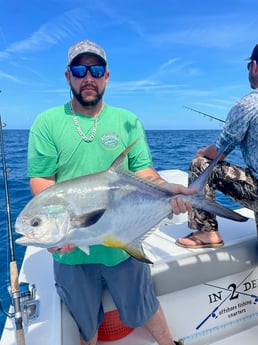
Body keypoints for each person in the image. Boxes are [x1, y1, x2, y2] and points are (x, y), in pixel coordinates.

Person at [27, 39, 195, 345]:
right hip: (72, 255)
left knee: (146, 307)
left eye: (96, 69)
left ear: (106, 76)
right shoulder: (47, 123)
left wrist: (171, 192)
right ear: (68, 76)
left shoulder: (127, 121)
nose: (88, 76)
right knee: (86, 325)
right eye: (80, 69)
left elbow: (143, 171)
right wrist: (55, 230)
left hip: (124, 240)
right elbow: (41, 178)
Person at [176, 44, 258, 249]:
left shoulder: (248, 105)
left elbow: (219, 153)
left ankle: (206, 232)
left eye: (248, 65)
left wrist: (202, 152)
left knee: (201, 164)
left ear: (255, 67)